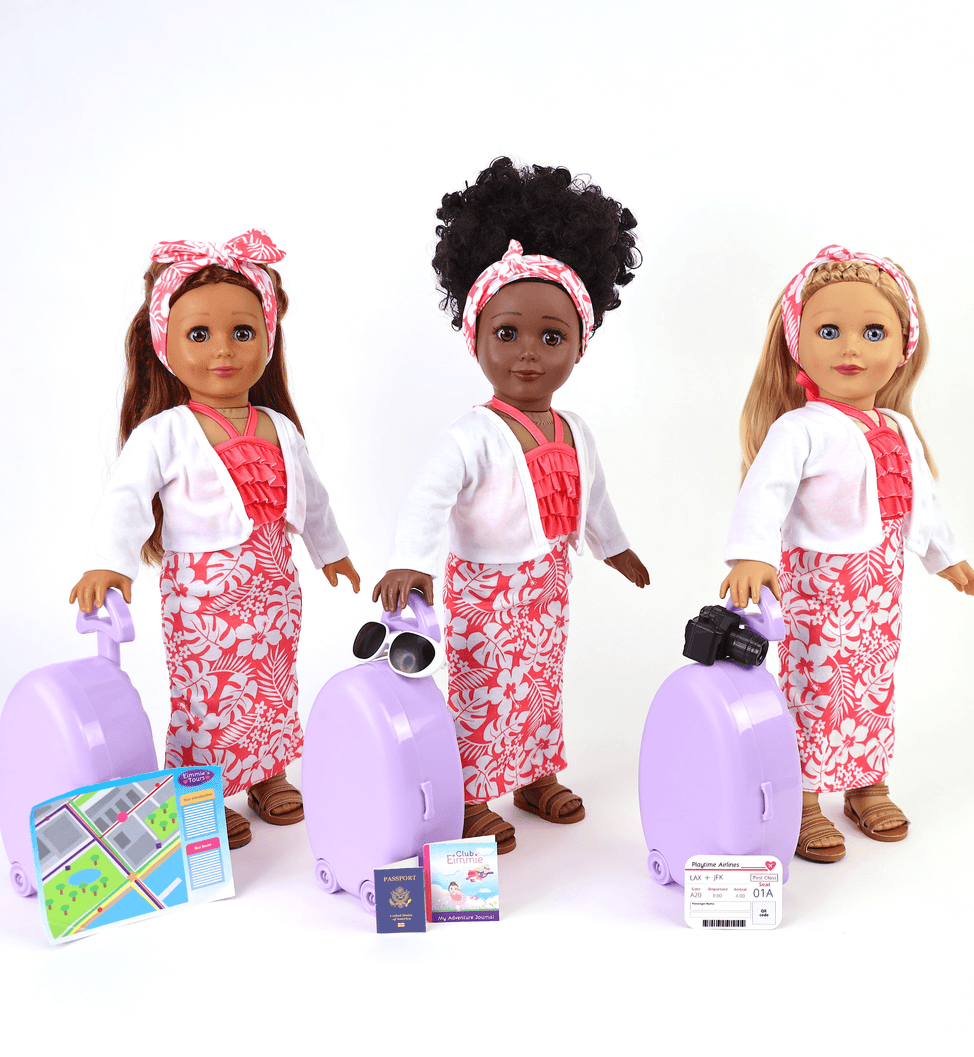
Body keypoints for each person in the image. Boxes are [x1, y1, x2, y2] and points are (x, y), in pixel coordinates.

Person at [374, 159, 649, 853]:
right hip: (486, 588)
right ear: (476, 339)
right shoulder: (471, 435)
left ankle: (533, 774)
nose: (529, 354)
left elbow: (593, 497)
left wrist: (614, 547)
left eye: (552, 337)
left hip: (548, 581)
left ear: (580, 346)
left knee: (540, 684)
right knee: (483, 689)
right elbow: (428, 499)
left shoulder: (574, 429)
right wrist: (411, 562)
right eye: (507, 334)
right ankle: (471, 794)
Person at [70, 231, 359, 848]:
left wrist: (330, 551)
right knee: (207, 694)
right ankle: (200, 789)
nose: (223, 350)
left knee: (272, 682)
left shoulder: (278, 427)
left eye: (243, 332)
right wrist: (109, 564)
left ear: (268, 339)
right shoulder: (165, 433)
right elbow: (125, 498)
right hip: (202, 598)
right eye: (199, 334)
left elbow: (312, 496)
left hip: (274, 585)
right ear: (164, 345)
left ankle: (268, 772)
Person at [720, 245, 974, 862]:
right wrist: (751, 555)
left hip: (881, 584)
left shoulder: (897, 426)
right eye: (829, 331)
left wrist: (944, 554)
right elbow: (764, 493)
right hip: (818, 585)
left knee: (872, 682)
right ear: (797, 343)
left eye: (873, 332)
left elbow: (922, 499)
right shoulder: (799, 428)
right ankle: (804, 795)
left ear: (904, 347)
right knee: (814, 684)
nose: (851, 349)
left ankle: (866, 783)